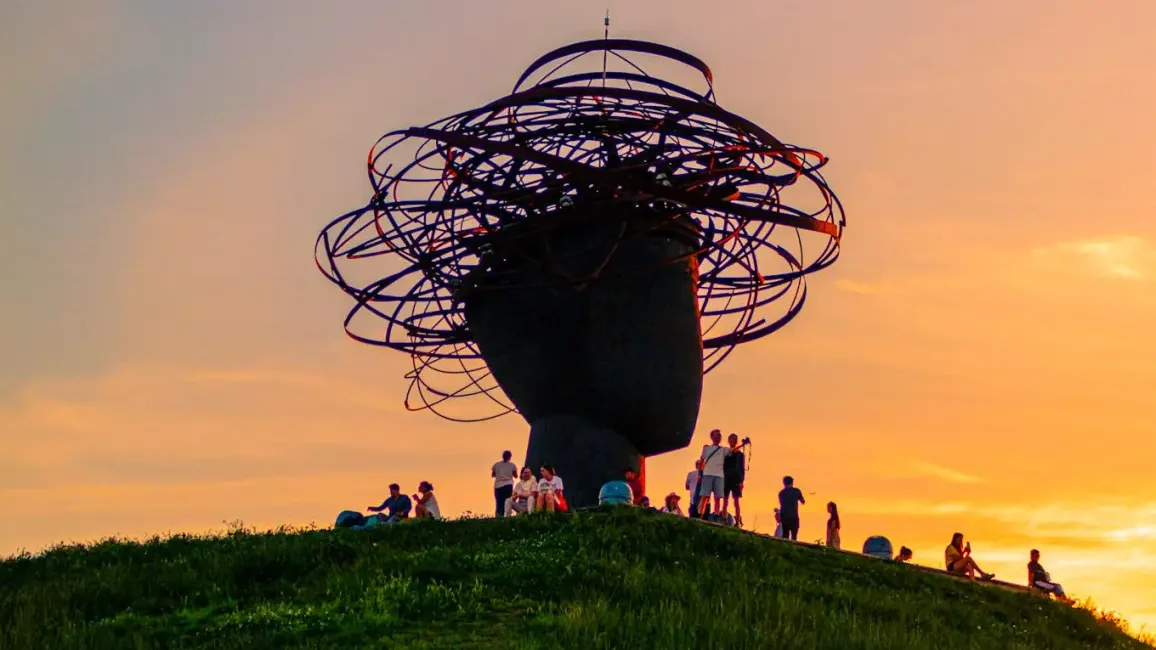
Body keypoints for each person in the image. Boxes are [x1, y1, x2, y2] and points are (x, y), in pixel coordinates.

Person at [697, 429, 726, 517]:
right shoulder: (707, 448)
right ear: (712, 437)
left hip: (719, 475)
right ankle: (699, 514)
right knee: (704, 496)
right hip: (708, 474)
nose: (718, 437)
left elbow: (733, 450)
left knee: (717, 498)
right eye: (716, 435)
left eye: (719, 435)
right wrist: (699, 474)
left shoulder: (723, 449)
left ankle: (716, 515)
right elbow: (702, 461)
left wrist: (743, 444)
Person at [722, 433, 745, 527]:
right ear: (728, 441)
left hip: (736, 479)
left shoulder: (740, 454)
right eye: (731, 439)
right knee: (725, 500)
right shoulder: (725, 453)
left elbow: (742, 468)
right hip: (726, 478)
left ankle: (738, 520)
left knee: (736, 501)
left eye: (735, 439)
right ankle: (724, 518)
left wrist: (742, 481)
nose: (733, 441)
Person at [777, 476, 805, 540]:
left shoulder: (781, 493)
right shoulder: (796, 491)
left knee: (785, 535)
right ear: (792, 482)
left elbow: (781, 504)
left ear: (784, 483)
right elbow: (803, 501)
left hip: (784, 517)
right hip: (794, 517)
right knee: (794, 536)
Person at [492, 451, 518, 518]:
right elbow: (516, 476)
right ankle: (506, 516)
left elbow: (493, 475)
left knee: (499, 502)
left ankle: (498, 516)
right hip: (508, 485)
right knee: (507, 501)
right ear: (510, 457)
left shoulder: (496, 465)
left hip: (498, 486)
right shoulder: (512, 465)